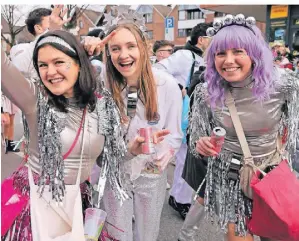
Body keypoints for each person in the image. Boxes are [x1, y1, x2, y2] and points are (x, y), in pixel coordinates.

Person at [1, 27, 171, 240]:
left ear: (78, 63)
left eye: (58, 62)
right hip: (37, 200)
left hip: (77, 202)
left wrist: (132, 150)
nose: (50, 72)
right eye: (43, 65)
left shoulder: (101, 105)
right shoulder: (36, 101)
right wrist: (51, 26)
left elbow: (106, 159)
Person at [189, 14, 299, 241]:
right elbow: (195, 141)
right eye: (221, 53)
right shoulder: (205, 93)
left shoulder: (283, 86)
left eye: (238, 51)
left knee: (278, 235)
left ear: (254, 53)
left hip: (270, 176)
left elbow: (294, 135)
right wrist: (201, 144)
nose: (228, 60)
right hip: (230, 180)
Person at [84, 21, 183, 241]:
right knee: (117, 235)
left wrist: (159, 155)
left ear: (143, 47)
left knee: (147, 235)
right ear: (107, 53)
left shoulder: (166, 85)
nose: (123, 55)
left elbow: (175, 134)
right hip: (114, 172)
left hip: (149, 172)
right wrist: (83, 52)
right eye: (115, 48)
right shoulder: (100, 86)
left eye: (130, 46)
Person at [154, 22, 212, 220]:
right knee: (186, 156)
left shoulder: (205, 56)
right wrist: (177, 87)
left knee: (189, 156)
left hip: (200, 113)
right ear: (202, 39)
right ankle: (180, 199)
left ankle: (180, 197)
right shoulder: (184, 55)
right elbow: (158, 69)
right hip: (184, 113)